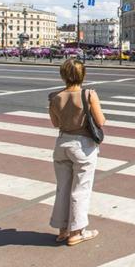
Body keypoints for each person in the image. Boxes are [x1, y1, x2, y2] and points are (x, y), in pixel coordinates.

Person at [48, 59, 106, 246]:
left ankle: (63, 230)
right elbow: (101, 121)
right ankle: (77, 231)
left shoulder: (54, 97)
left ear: (63, 75)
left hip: (62, 144)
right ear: (83, 75)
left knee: (62, 188)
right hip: (83, 146)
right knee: (81, 189)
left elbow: (55, 123)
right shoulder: (89, 94)